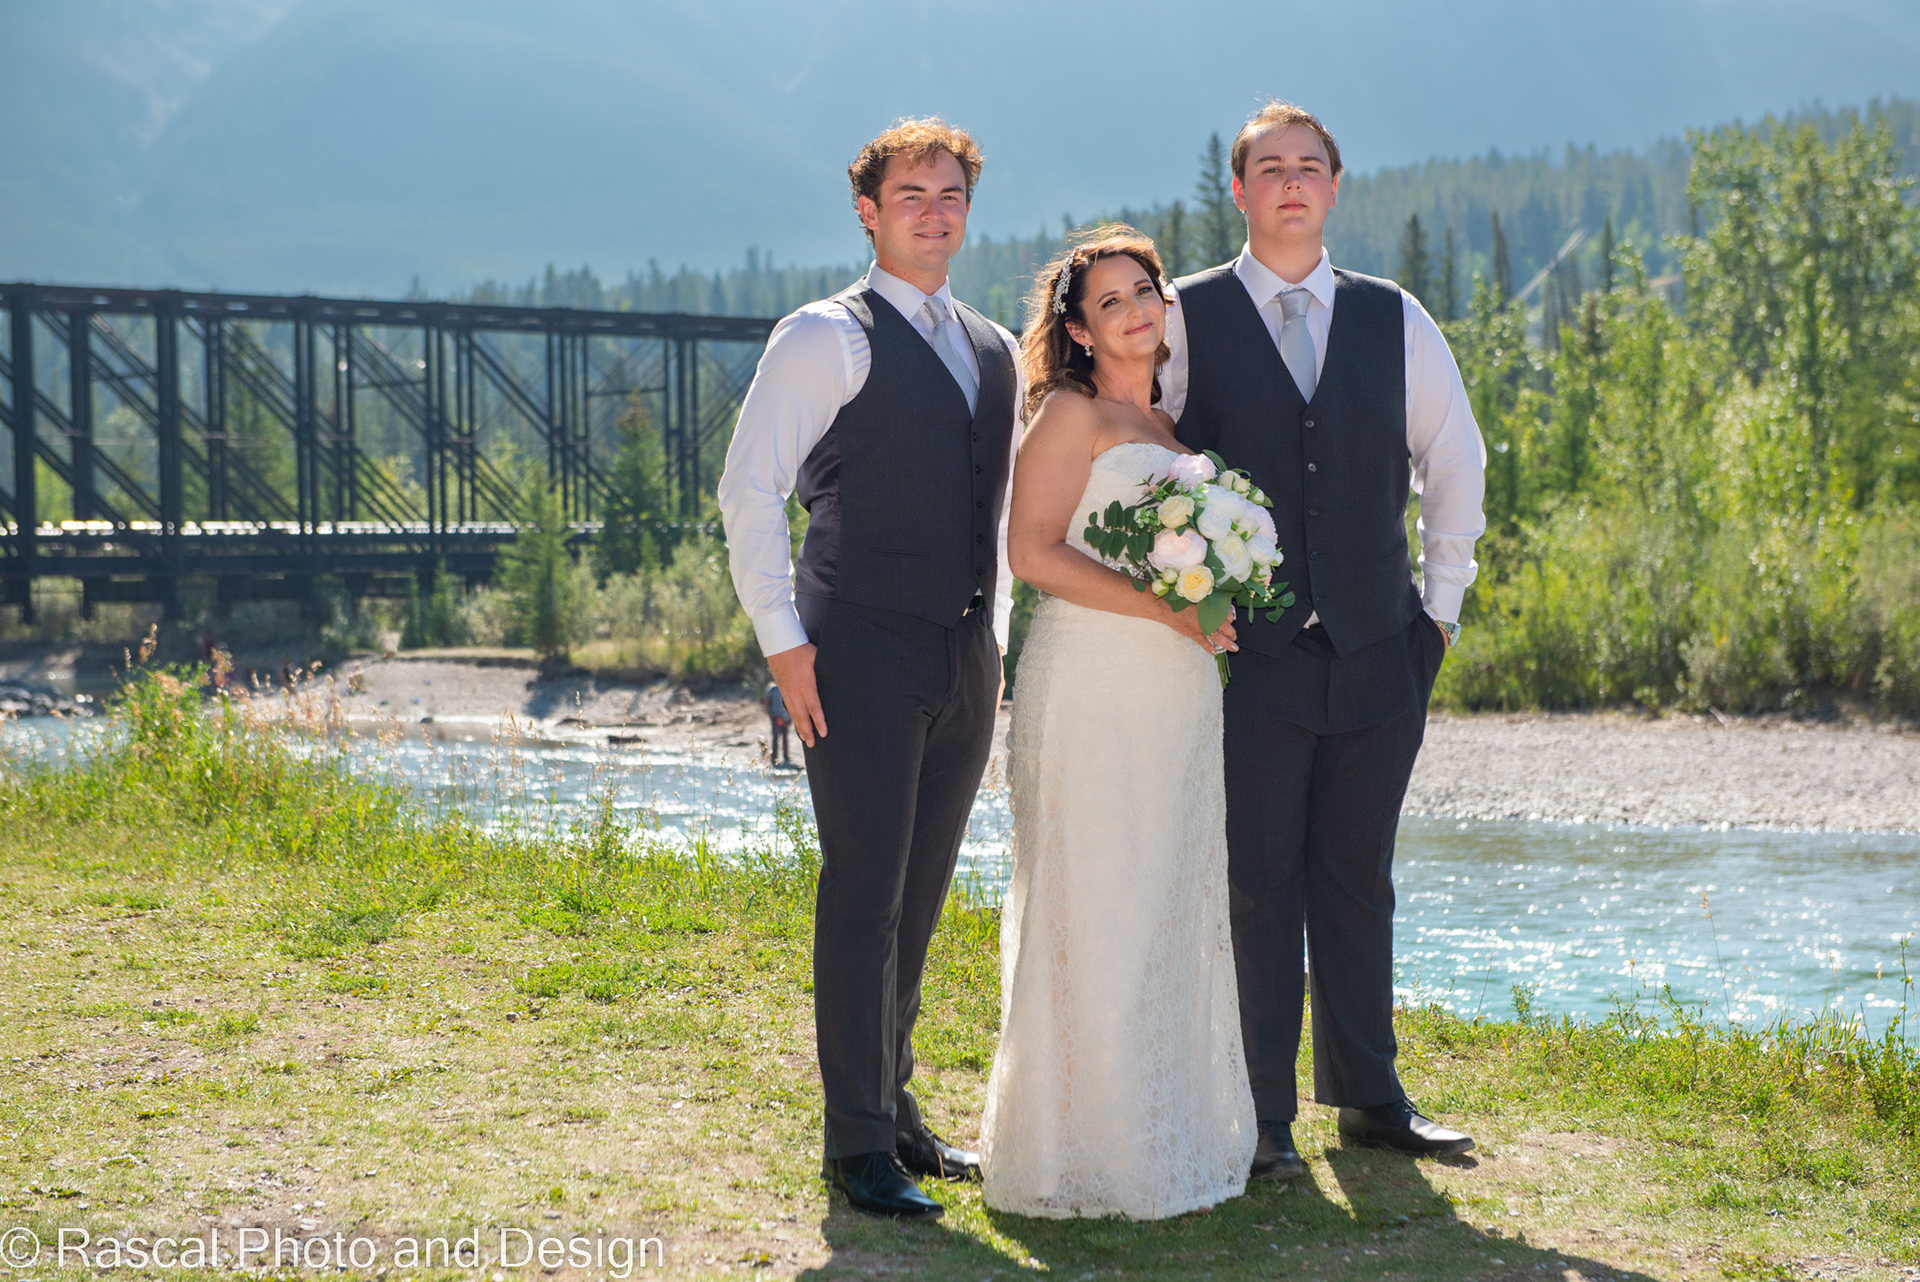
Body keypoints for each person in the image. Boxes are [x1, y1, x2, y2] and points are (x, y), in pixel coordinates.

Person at [1162, 101, 1488, 1177]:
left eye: (1310, 166)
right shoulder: (1184, 318)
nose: (1291, 182)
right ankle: (1258, 1118)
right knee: (1256, 884)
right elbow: (1142, 467)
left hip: (1378, 650)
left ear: (1334, 188)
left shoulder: (1396, 318)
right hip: (1241, 664)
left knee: (1359, 875)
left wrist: (1436, 614)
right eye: (1270, 167)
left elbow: (1457, 465)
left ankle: (1371, 1099)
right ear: (1242, 190)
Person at [716, 118, 1023, 1221]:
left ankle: (893, 1112)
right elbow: (747, 492)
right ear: (868, 209)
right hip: (854, 648)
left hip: (962, 653)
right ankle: (855, 1149)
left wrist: (999, 642)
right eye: (911, 194)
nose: (933, 211)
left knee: (923, 890)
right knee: (863, 893)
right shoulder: (824, 337)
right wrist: (784, 643)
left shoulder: (995, 346)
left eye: (951, 194)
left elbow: (992, 510)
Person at [979, 229, 1255, 1219]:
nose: (1138, 309)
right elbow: (1034, 552)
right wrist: (1169, 609)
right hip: (1093, 680)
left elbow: (1181, 566)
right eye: (1112, 301)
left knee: (1156, 900)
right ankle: (1071, 1155)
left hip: (1176, 692)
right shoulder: (1070, 413)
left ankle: (1150, 1131)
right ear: (1080, 329)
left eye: (1148, 290)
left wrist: (1209, 604)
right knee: (1091, 902)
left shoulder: (1173, 427)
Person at [762, 680, 792, 767]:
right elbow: (766, 702)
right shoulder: (773, 689)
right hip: (775, 717)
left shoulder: (787, 687)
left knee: (785, 738)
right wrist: (771, 716)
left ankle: (786, 758)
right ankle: (774, 758)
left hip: (786, 717)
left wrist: (791, 718)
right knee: (775, 737)